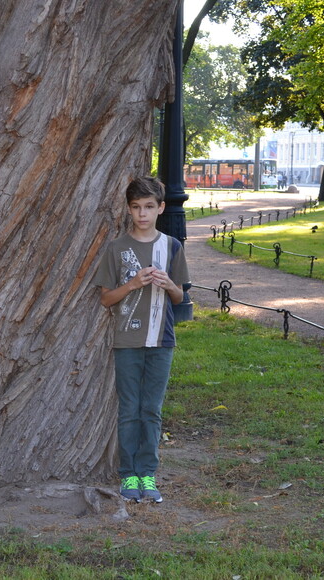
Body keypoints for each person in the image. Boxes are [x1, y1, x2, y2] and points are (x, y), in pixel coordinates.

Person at [92, 176, 190, 504]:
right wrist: (133, 284)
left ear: (161, 208)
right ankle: (128, 474)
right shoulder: (117, 249)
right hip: (127, 340)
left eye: (149, 207)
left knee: (152, 409)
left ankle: (148, 472)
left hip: (162, 340)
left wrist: (168, 285)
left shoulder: (172, 246)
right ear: (129, 210)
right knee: (130, 408)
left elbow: (180, 298)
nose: (142, 214)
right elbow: (106, 299)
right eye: (136, 207)